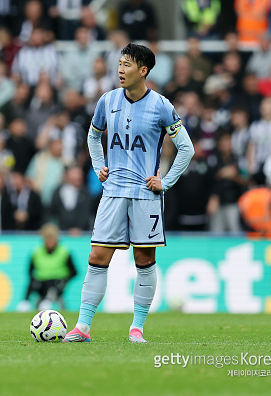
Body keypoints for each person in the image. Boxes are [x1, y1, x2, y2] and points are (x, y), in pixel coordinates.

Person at [63, 43, 194, 344]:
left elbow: (187, 148)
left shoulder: (161, 105)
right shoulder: (107, 101)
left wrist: (167, 181)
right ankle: (82, 326)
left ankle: (137, 328)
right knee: (97, 255)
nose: (120, 70)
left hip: (146, 196)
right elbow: (93, 136)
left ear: (143, 70)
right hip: (112, 193)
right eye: (119, 63)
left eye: (127, 64)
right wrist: (99, 165)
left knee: (144, 259)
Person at [17, 223, 77, 312]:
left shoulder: (64, 251)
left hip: (57, 282)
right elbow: (30, 271)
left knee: (52, 286)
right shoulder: (36, 251)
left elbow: (74, 272)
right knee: (32, 283)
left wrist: (65, 281)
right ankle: (25, 302)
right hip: (41, 282)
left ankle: (47, 302)